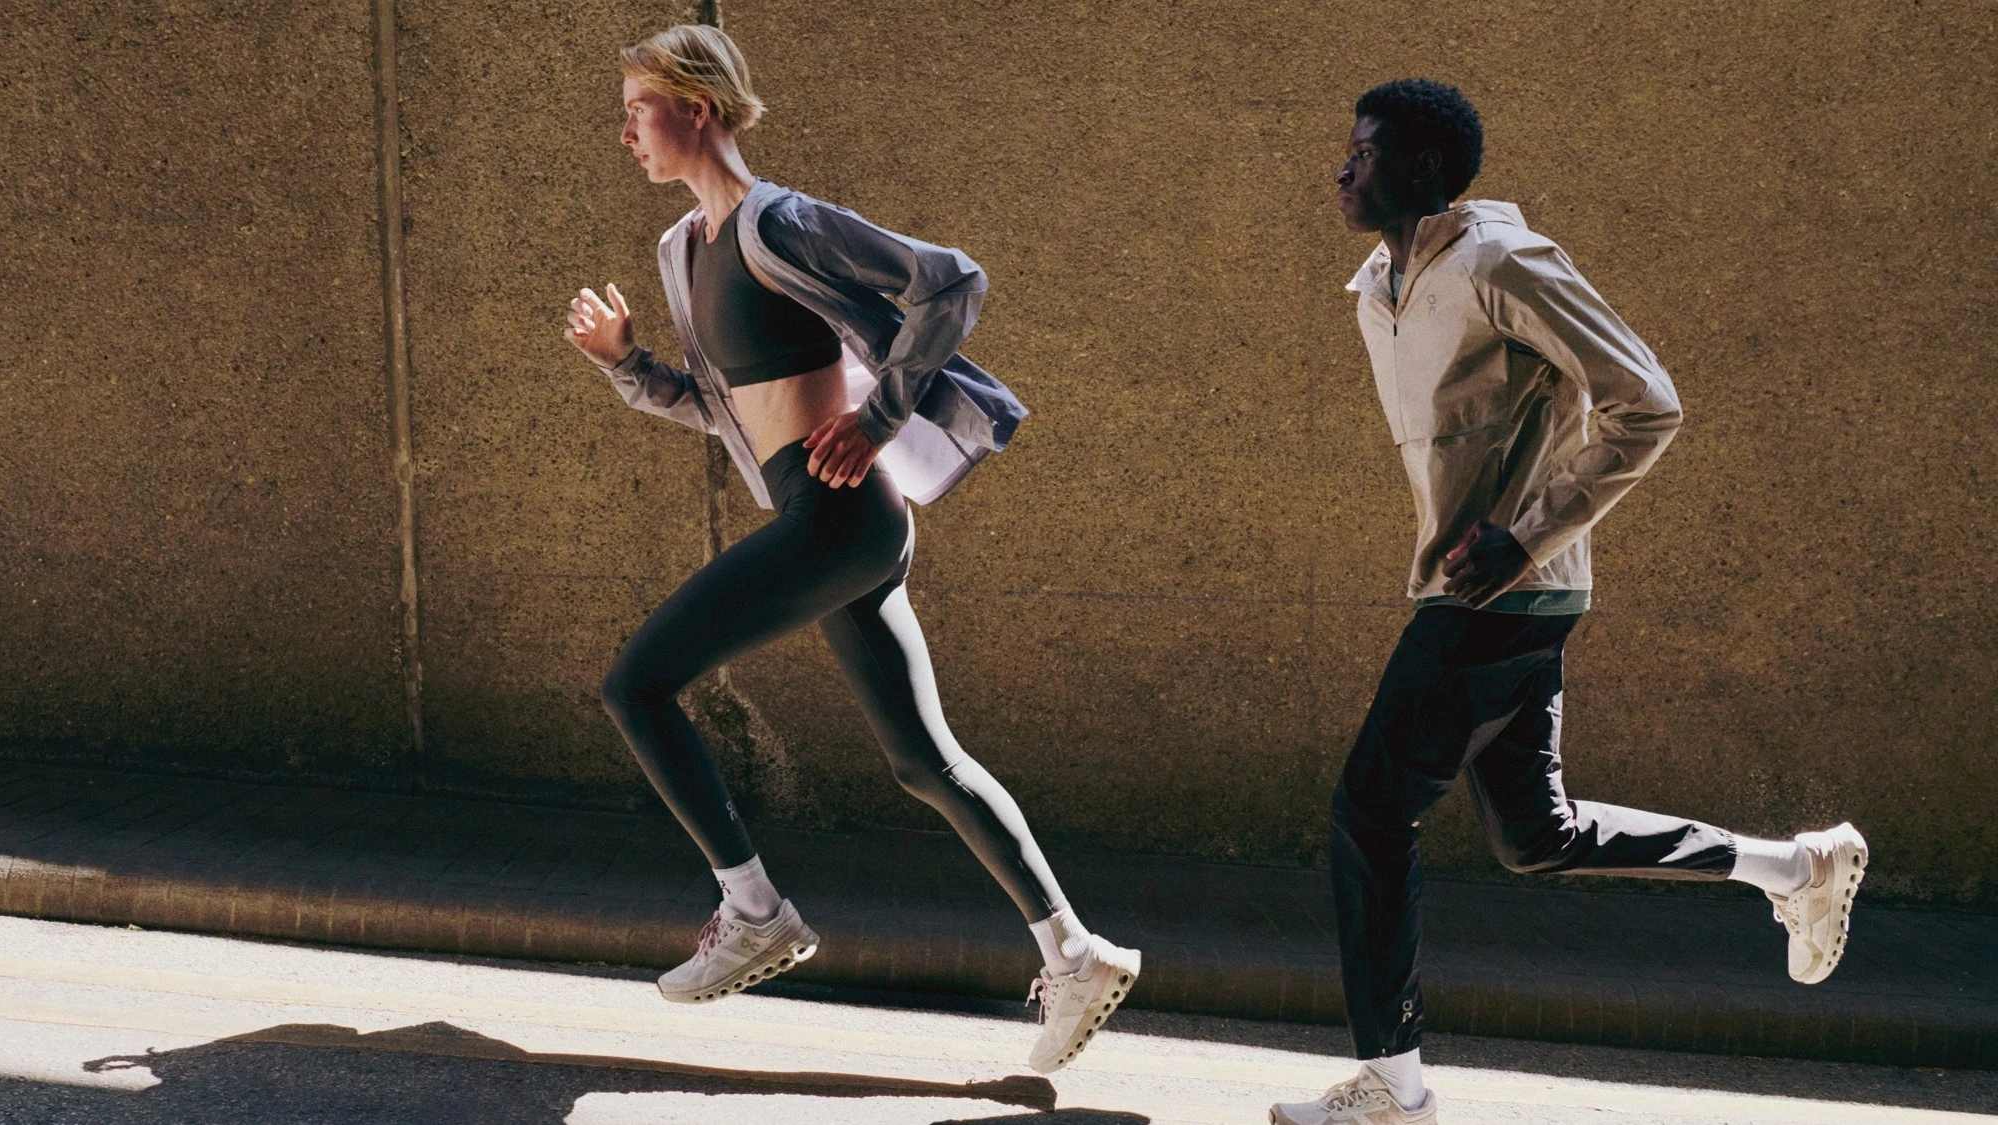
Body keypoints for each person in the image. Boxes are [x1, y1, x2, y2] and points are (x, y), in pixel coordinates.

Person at [1270, 79, 1868, 1125]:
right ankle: (1795, 865)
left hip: (1501, 592)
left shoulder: (1502, 261)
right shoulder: (1383, 279)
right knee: (1534, 834)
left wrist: (1521, 534)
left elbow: (1646, 402)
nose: (1339, 168)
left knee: (1368, 814)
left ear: (1417, 170)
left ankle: (1393, 1091)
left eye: (1359, 152)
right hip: (1483, 588)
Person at [559, 24, 1136, 1075]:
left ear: (695, 106)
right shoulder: (681, 252)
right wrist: (626, 362)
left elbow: (951, 282)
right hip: (819, 521)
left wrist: (880, 419)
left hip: (840, 517)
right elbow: (720, 408)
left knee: (638, 685)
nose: (624, 132)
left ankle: (752, 909)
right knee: (924, 759)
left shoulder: (780, 225)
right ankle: (1076, 949)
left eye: (636, 108)